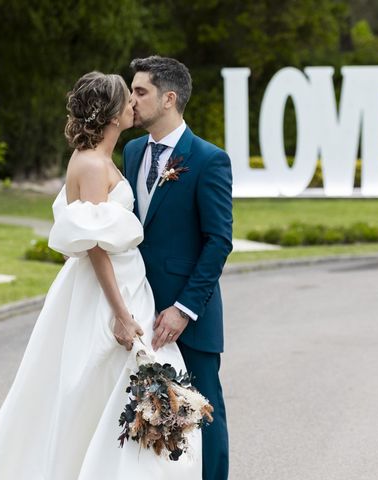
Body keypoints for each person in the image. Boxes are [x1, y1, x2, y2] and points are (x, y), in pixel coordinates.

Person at [0, 71, 201, 479]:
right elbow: (94, 246)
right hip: (110, 293)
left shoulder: (100, 157)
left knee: (121, 388)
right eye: (128, 99)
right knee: (104, 390)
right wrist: (121, 314)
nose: (134, 105)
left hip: (122, 284)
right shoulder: (92, 164)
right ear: (111, 115)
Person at [123, 56, 233, 480]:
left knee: (203, 409)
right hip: (140, 308)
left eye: (140, 92)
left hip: (189, 316)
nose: (131, 100)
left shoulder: (208, 160)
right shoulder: (133, 152)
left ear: (168, 99)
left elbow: (218, 240)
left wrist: (184, 308)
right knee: (148, 411)